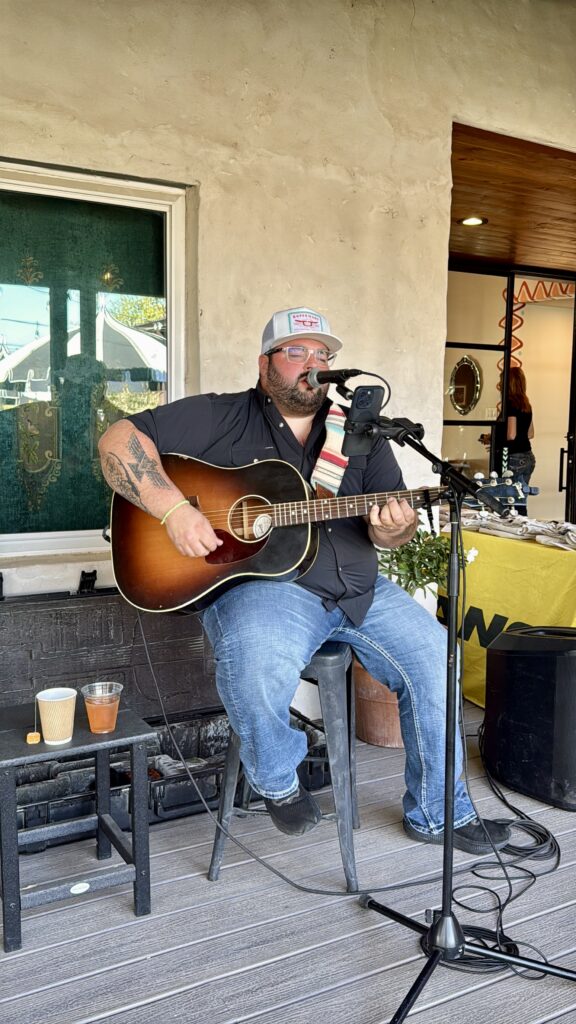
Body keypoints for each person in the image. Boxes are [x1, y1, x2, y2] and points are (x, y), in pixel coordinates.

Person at [99, 306, 510, 854]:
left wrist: (396, 530)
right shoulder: (220, 417)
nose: (312, 364)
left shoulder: (359, 434)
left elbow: (389, 535)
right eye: (298, 352)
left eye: (323, 355)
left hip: (359, 591)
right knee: (254, 662)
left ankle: (439, 814)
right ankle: (278, 780)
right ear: (266, 363)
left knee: (437, 658)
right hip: (270, 592)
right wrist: (174, 511)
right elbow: (117, 442)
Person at [505, 365, 536, 493]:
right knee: (521, 500)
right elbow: (530, 433)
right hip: (528, 457)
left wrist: (494, 439)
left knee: (510, 500)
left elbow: (511, 435)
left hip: (514, 458)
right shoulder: (526, 404)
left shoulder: (510, 403)